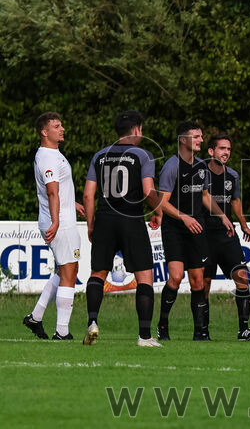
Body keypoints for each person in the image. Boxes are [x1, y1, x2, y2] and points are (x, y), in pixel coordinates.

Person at [81, 111, 163, 347]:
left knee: (98, 273)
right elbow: (148, 191)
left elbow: (88, 194)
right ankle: (145, 336)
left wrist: (91, 224)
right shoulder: (143, 155)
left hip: (105, 219)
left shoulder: (99, 155)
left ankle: (93, 322)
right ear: (137, 130)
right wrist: (158, 211)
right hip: (131, 220)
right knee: (145, 275)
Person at [153, 121, 234, 341]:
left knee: (198, 281)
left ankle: (200, 332)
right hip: (175, 230)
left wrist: (223, 216)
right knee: (176, 278)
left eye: (201, 136)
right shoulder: (172, 166)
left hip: (197, 228)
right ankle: (162, 325)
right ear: (183, 140)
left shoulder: (201, 167)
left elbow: (205, 196)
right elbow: (162, 203)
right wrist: (184, 217)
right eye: (196, 136)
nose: (200, 139)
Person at [23, 112, 84, 341]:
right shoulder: (48, 156)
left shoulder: (51, 154)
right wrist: (57, 219)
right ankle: (62, 331)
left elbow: (58, 190)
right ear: (44, 132)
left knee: (63, 270)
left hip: (62, 216)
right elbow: (51, 190)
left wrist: (73, 203)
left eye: (61, 125)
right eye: (57, 126)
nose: (62, 129)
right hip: (61, 222)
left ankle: (36, 317)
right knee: (70, 271)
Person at [203, 134, 250, 341]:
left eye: (228, 149)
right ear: (211, 151)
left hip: (227, 234)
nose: (226, 152)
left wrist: (243, 224)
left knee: (242, 277)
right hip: (204, 235)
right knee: (204, 284)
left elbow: (235, 200)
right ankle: (202, 331)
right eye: (221, 149)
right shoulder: (201, 173)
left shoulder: (232, 176)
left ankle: (244, 329)